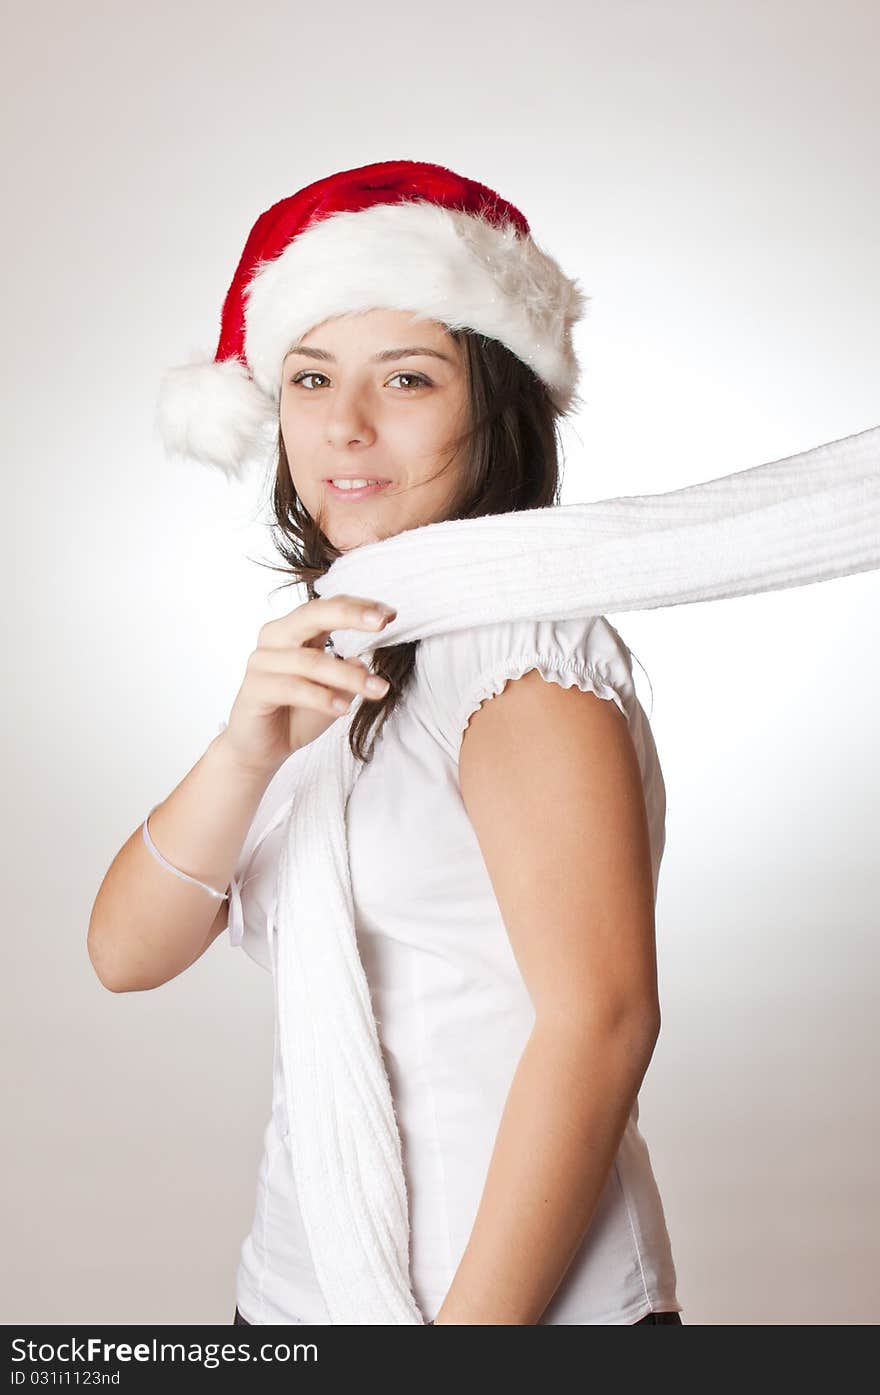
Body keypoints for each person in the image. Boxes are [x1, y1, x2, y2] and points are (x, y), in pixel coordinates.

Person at [89, 158, 695, 1324]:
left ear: (496, 403)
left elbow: (602, 1022)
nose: (344, 426)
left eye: (406, 379)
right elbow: (125, 955)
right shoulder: (341, 646)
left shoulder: (520, 660)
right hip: (296, 1292)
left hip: (510, 1315)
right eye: (311, 378)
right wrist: (243, 751)